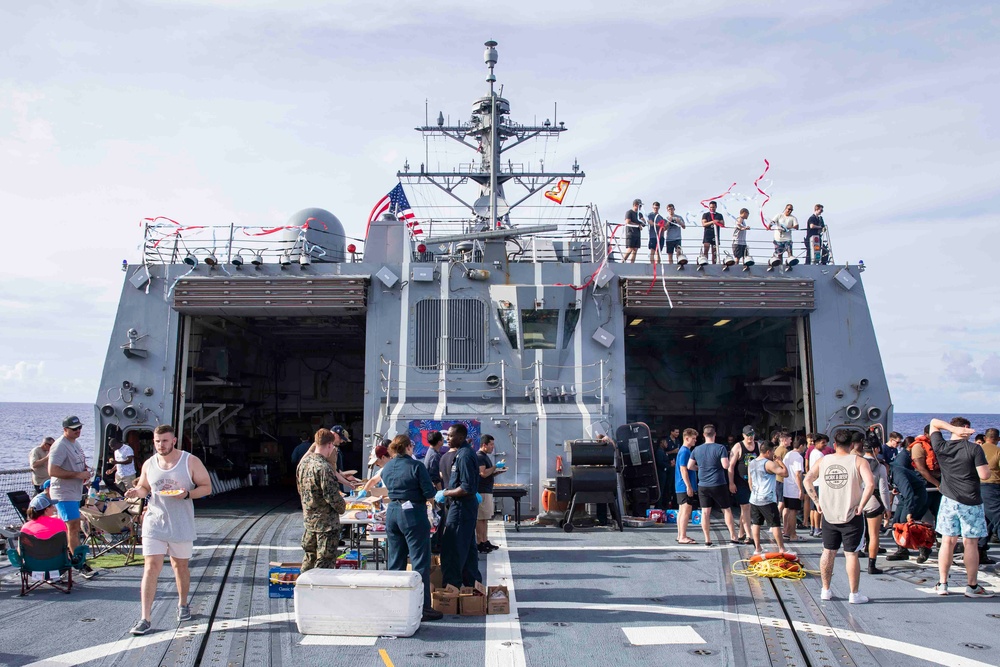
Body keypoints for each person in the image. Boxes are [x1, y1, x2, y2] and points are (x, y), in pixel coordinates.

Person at [125, 424, 212, 635]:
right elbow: (146, 487)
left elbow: (207, 487)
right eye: (157, 441)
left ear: (173, 441)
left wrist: (187, 495)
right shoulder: (149, 463)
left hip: (180, 522)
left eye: (164, 441)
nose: (160, 445)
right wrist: (137, 491)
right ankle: (145, 618)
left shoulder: (189, 461)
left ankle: (183, 604)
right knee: (150, 567)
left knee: (179, 566)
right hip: (155, 522)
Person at [804, 430, 876, 604]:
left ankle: (825, 590)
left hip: (829, 515)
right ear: (852, 445)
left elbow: (807, 479)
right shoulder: (859, 461)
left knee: (828, 551)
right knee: (852, 555)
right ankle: (854, 594)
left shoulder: (824, 460)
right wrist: (862, 504)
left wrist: (817, 501)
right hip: (851, 514)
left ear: (834, 445)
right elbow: (870, 484)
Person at [928, 417, 993, 597]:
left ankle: (942, 583)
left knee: (947, 542)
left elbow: (934, 422)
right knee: (970, 543)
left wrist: (952, 429)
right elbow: (985, 475)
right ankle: (972, 586)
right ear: (966, 429)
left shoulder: (942, 447)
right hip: (971, 500)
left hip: (949, 499)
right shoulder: (974, 449)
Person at [380, 434, 442, 621]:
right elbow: (429, 492)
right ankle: (422, 607)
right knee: (419, 561)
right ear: (408, 447)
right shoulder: (416, 466)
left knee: (395, 560)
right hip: (413, 512)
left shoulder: (388, 466)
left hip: (392, 512)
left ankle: (394, 605)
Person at [294, 428, 348, 573]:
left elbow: (300, 490)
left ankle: (301, 589)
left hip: (309, 521)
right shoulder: (324, 468)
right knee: (324, 563)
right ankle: (318, 593)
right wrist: (344, 506)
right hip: (327, 525)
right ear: (330, 445)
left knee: (309, 558)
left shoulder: (303, 464)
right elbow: (332, 497)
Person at [436, 423, 482, 588]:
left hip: (461, 507)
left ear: (461, 437)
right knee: (468, 548)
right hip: (460, 507)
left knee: (452, 547)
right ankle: (472, 583)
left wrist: (446, 493)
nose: (447, 439)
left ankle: (451, 586)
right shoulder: (460, 455)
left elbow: (467, 488)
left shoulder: (464, 456)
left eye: (450, 436)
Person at [48, 416, 91, 560]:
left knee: (70, 526)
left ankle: (68, 556)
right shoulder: (60, 445)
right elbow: (52, 471)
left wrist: (84, 473)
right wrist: (78, 474)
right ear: (65, 429)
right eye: (74, 429)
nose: (78, 431)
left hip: (74, 491)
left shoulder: (75, 444)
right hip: (64, 493)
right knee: (73, 526)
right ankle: (78, 561)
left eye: (79, 428)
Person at [687, 424, 736, 545]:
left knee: (705, 512)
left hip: (703, 484)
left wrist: (700, 467)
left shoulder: (696, 449)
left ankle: (707, 539)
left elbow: (689, 466)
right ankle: (733, 536)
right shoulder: (720, 448)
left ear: (703, 435)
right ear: (715, 434)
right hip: (718, 483)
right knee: (726, 510)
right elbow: (725, 465)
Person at [886, 441, 929, 561]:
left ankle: (924, 547)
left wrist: (910, 511)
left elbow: (909, 492)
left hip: (916, 497)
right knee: (896, 523)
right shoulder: (889, 472)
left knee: (909, 522)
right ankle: (902, 550)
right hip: (904, 498)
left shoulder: (898, 473)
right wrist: (895, 489)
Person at [748, 442, 788, 555]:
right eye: (772, 453)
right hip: (767, 498)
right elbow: (785, 473)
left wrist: (753, 492)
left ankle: (757, 548)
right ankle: (782, 549)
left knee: (756, 523)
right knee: (775, 524)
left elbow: (749, 480)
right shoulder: (768, 463)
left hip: (754, 497)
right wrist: (780, 462)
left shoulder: (752, 462)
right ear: (768, 452)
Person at [909, 425, 941, 563]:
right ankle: (924, 548)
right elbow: (921, 469)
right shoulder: (919, 447)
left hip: (939, 485)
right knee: (922, 519)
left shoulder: (939, 445)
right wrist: (937, 483)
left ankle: (943, 546)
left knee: (941, 517)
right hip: (925, 485)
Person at [861, 441, 892, 574]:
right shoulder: (880, 466)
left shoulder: (857, 463)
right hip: (873, 501)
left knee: (857, 534)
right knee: (874, 535)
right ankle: (871, 565)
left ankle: (853, 560)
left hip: (857, 501)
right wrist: (887, 508)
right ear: (877, 449)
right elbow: (884, 489)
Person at [729, 426, 760, 544]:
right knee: (746, 507)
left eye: (752, 434)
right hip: (741, 482)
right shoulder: (738, 446)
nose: (750, 437)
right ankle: (749, 535)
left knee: (747, 508)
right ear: (743, 435)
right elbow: (730, 466)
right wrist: (731, 483)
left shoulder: (758, 445)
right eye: (748, 435)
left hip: (755, 482)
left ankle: (741, 532)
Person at [476, 434, 504, 553]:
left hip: (486, 490)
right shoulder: (480, 457)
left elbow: (487, 473)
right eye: (491, 444)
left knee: (485, 518)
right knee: (480, 518)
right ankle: (480, 542)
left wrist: (496, 471)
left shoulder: (485, 456)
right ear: (484, 445)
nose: (493, 447)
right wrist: (495, 467)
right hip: (482, 491)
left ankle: (485, 540)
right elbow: (483, 473)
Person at [978, 428, 1000, 565]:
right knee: (998, 518)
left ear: (985, 438)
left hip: (975, 487)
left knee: (985, 520)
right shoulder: (998, 451)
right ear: (998, 439)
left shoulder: (977, 449)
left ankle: (980, 551)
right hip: (992, 487)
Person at [675, 428, 699, 544]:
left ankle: (680, 535)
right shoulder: (685, 452)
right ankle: (683, 536)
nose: (695, 441)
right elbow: (683, 469)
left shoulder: (682, 451)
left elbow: (688, 468)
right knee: (686, 510)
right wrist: (689, 486)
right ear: (686, 438)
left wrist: (697, 468)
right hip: (684, 486)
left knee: (681, 510)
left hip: (680, 486)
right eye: (693, 438)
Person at [782, 435, 806, 542]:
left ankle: (787, 531)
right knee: (793, 512)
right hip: (793, 488)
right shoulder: (798, 457)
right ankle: (793, 534)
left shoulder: (788, 454)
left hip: (786, 487)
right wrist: (800, 489)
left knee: (788, 510)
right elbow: (798, 474)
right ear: (801, 445)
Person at [807, 434, 828, 537]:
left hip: (814, 483)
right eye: (823, 442)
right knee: (818, 508)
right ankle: (817, 528)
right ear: (817, 442)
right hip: (819, 483)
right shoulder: (819, 455)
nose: (825, 445)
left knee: (813, 508)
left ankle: (813, 527)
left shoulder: (812, 452)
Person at [622, 199, 645, 263]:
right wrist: (638, 225)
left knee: (635, 250)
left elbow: (644, 224)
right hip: (630, 233)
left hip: (637, 234)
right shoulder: (629, 212)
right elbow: (627, 222)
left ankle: (632, 264)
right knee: (630, 249)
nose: (640, 207)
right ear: (635, 205)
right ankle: (622, 262)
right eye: (639, 206)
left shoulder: (640, 214)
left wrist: (643, 221)